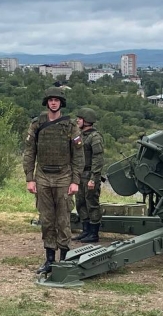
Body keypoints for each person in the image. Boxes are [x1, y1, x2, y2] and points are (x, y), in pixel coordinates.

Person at [22, 86, 84, 274]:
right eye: (51, 100)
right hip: (42, 177)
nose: (54, 102)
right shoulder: (37, 123)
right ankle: (49, 258)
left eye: (57, 100)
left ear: (61, 103)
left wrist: (75, 181)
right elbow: (29, 152)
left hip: (64, 177)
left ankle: (64, 258)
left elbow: (78, 155)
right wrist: (29, 178)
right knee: (47, 219)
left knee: (63, 219)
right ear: (47, 102)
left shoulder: (70, 126)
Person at [72, 107, 105, 243]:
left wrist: (93, 178)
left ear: (86, 121)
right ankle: (85, 230)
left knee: (92, 203)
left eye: (79, 119)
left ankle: (94, 233)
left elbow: (98, 159)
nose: (77, 120)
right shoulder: (79, 135)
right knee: (80, 203)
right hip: (79, 174)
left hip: (90, 174)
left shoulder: (95, 137)